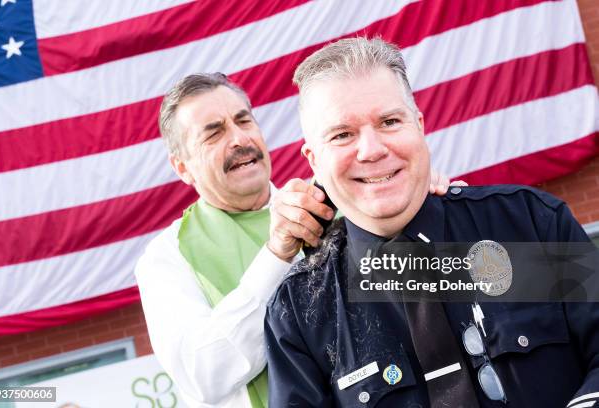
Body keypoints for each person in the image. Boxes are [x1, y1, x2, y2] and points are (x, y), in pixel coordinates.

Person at [265, 37, 599, 407]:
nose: (372, 149)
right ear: (313, 160)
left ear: (419, 126)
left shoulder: (528, 226)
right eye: (342, 134)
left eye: (390, 121)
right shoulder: (300, 311)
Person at [134, 73, 457, 407]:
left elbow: (439, 289)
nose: (239, 138)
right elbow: (206, 376)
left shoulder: (339, 201)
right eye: (214, 133)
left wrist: (411, 196)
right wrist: (277, 254)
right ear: (182, 167)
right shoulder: (167, 257)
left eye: (244, 121)